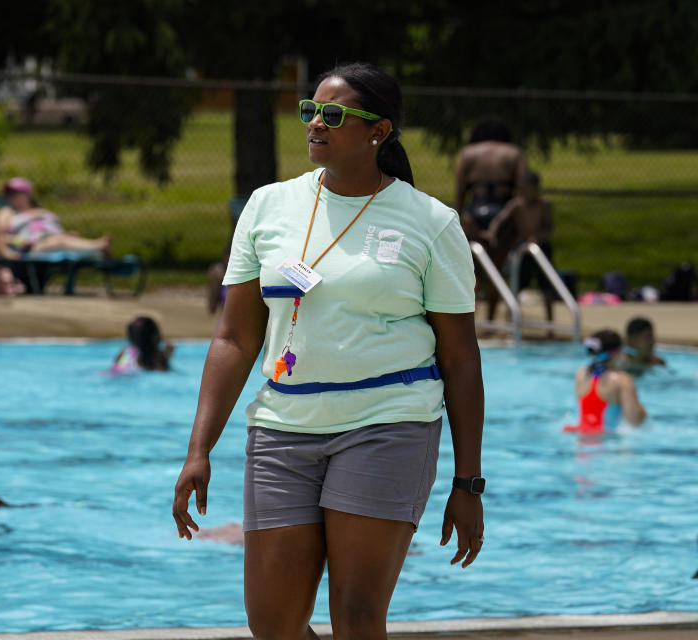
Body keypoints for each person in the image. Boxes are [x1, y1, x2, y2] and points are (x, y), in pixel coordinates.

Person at [172, 62, 485, 640]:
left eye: (333, 114)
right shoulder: (266, 208)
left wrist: (468, 484)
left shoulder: (431, 223)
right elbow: (235, 338)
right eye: (308, 110)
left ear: (379, 131)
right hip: (283, 425)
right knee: (272, 622)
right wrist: (199, 449)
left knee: (357, 616)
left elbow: (461, 359)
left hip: (387, 424)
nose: (315, 123)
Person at [484, 170, 555, 324]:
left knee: (547, 287)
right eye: (521, 189)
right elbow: (500, 219)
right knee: (516, 285)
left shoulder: (544, 205)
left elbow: (548, 227)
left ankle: (550, 325)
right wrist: (492, 232)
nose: (523, 192)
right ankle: (510, 322)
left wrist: (538, 238)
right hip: (523, 249)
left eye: (527, 189)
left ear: (536, 189)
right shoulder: (516, 205)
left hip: (541, 249)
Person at [0, 177, 112, 255]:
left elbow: (55, 230)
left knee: (63, 239)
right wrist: (20, 241)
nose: (11, 197)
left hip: (56, 239)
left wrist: (65, 234)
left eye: (16, 193)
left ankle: (96, 248)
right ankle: (98, 245)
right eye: (9, 194)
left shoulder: (44, 212)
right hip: (34, 246)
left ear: (28, 194)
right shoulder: (7, 213)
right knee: (60, 241)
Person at [455, 115, 529, 242]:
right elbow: (524, 188)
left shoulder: (468, 153)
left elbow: (460, 191)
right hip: (504, 209)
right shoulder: (514, 152)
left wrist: (459, 219)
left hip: (476, 209)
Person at [564, 329, 647, 434]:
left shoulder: (581, 374)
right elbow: (635, 421)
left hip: (581, 437)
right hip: (606, 441)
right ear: (616, 354)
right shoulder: (622, 380)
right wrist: (643, 412)